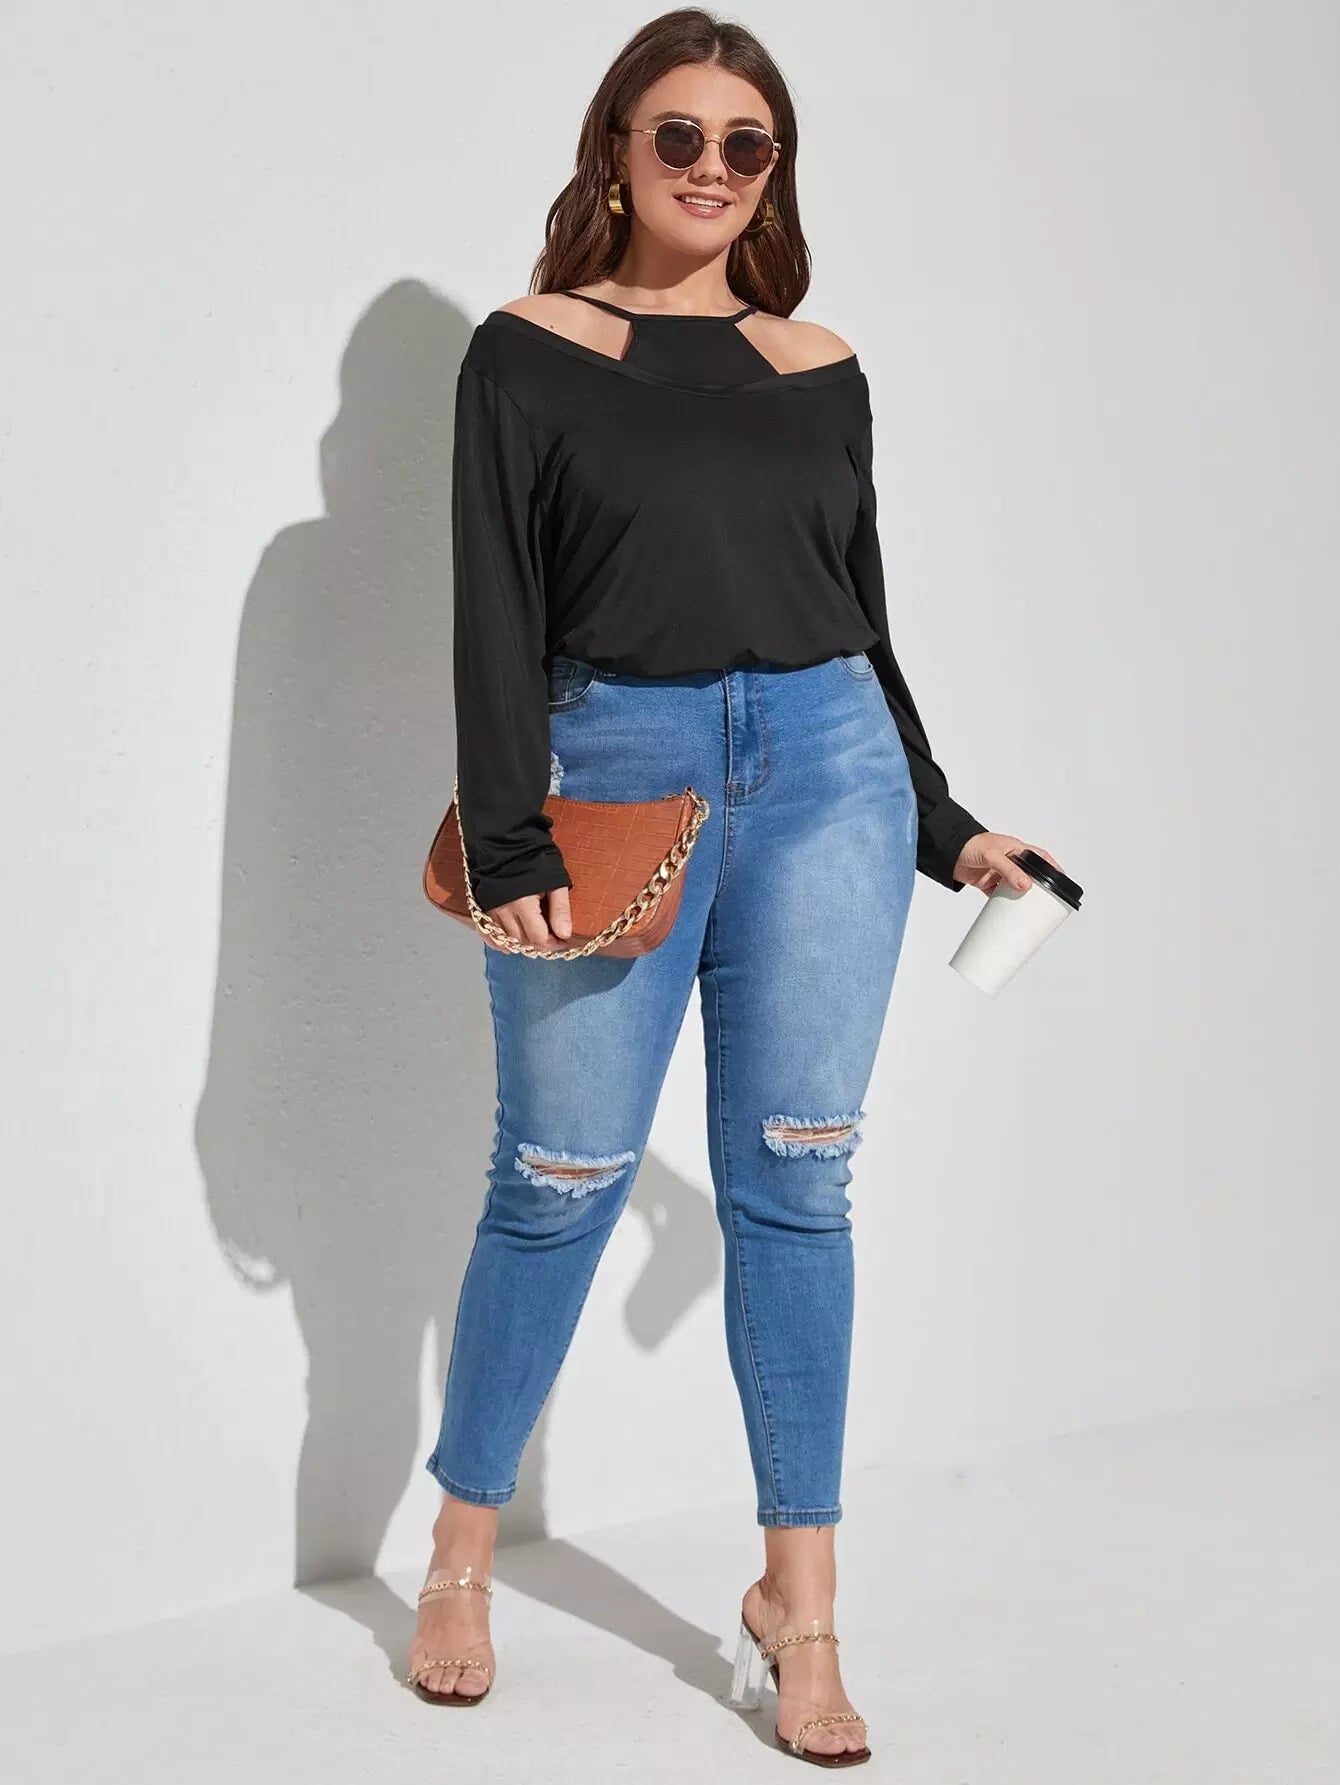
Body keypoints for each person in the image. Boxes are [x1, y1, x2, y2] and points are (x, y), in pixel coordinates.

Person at [407, 7, 1064, 1765]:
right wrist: (510, 836)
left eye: (746, 144)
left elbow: (861, 619)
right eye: (679, 135)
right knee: (557, 1175)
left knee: (798, 1181)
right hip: (613, 768)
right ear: (617, 153)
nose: (711, 166)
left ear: (775, 174)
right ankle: (460, 1547)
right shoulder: (525, 352)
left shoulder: (819, 365)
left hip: (833, 773)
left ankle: (804, 1605)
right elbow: (494, 613)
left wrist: (944, 823)